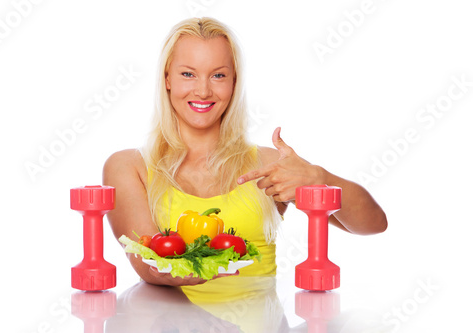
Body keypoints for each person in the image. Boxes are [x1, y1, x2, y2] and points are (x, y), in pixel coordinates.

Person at [103, 17, 387, 291]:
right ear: (167, 79)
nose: (203, 91)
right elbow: (147, 265)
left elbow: (373, 223)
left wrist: (318, 177)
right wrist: (208, 269)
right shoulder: (128, 167)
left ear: (234, 82)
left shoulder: (268, 166)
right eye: (188, 74)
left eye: (218, 75)